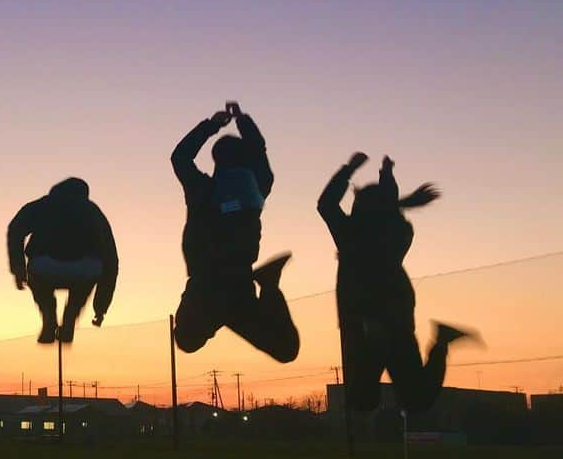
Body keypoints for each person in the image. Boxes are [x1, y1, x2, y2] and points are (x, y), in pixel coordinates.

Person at [318, 153, 477, 413]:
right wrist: (388, 179)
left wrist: (349, 169)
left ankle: (438, 343)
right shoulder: (399, 231)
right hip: (395, 318)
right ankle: (442, 343)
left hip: (365, 322)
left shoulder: (351, 234)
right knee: (415, 399)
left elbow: (325, 205)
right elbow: (385, 208)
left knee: (362, 400)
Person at [171, 101, 299, 362]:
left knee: (186, 339)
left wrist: (214, 125)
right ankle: (269, 284)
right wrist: (243, 121)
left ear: (217, 162)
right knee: (285, 350)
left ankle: (253, 295)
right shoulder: (257, 189)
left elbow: (180, 157)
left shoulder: (203, 190)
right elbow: (260, 152)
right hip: (238, 287)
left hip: (206, 285)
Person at [7, 178, 118, 344]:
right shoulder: (93, 211)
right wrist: (100, 307)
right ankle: (71, 316)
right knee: (87, 277)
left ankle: (48, 316)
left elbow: (15, 230)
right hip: (84, 269)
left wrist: (18, 269)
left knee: (39, 279)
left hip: (45, 266)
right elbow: (110, 260)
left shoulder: (41, 205)